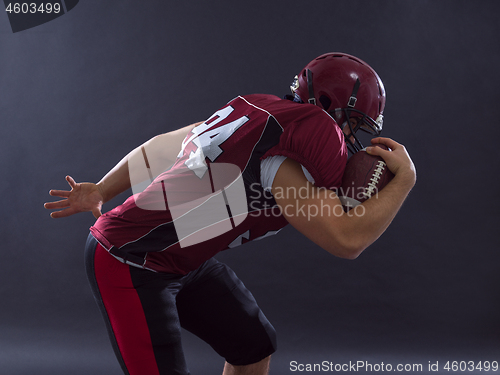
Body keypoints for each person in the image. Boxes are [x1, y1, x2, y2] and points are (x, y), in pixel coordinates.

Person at [44, 52, 416, 375]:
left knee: (253, 347)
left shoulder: (255, 114)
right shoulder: (284, 158)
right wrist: (405, 181)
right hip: (128, 259)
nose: (354, 139)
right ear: (328, 105)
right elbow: (346, 240)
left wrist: (101, 189)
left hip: (180, 257)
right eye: (353, 124)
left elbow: (159, 148)